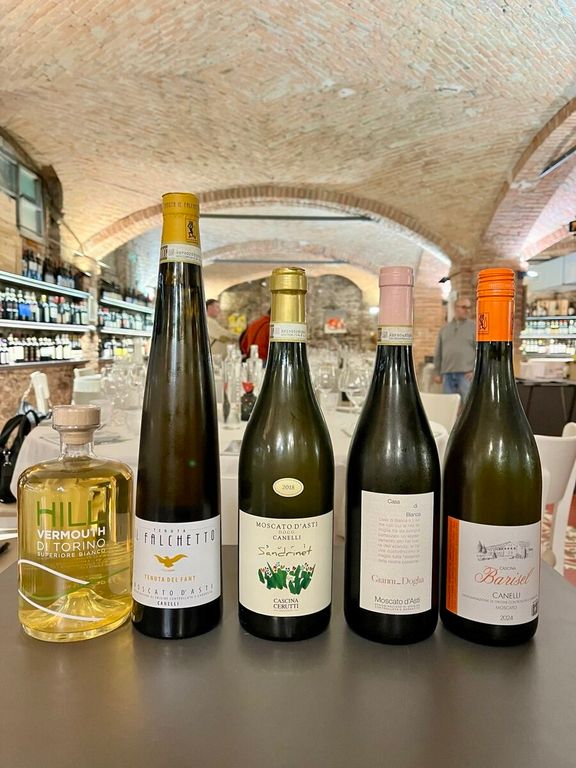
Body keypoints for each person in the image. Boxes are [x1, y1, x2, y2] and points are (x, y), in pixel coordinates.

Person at [433, 297, 476, 399]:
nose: (467, 310)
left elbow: (481, 352)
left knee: (467, 405)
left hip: (466, 375)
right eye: (464, 307)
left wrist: (475, 370)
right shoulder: (444, 329)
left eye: (469, 307)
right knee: (448, 405)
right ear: (455, 308)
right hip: (447, 374)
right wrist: (437, 372)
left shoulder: (474, 328)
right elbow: (438, 352)